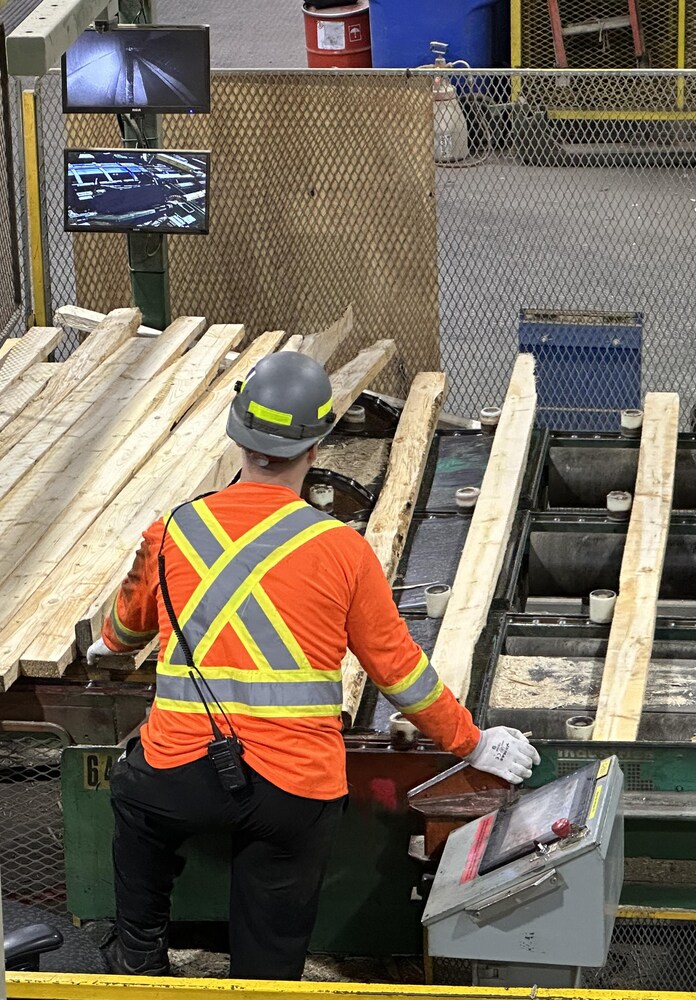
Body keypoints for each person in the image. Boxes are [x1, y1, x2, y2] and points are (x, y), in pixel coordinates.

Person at [87, 351, 540, 980]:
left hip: (177, 776)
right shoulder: (342, 550)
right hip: (292, 789)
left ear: (238, 434)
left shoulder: (173, 531)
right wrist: (472, 741)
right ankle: (266, 983)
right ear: (318, 443)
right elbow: (399, 672)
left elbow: (122, 631)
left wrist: (106, 647)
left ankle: (139, 960)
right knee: (273, 944)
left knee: (135, 805)